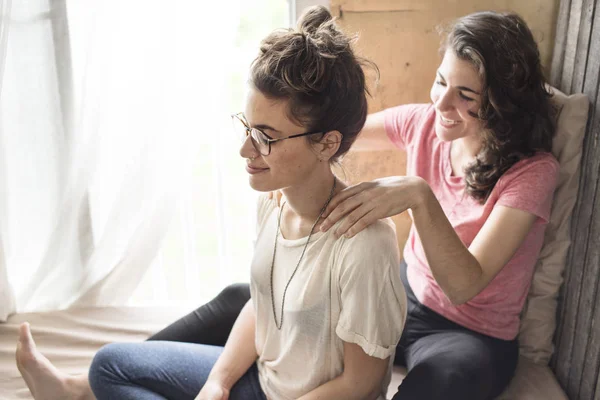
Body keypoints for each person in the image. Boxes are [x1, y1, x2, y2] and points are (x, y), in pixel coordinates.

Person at [16, 8, 558, 400]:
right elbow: (329, 129)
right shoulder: (425, 122)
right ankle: (81, 389)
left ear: (503, 102)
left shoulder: (532, 173)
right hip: (408, 294)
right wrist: (287, 136)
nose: (441, 103)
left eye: (464, 95)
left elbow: (465, 282)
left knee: (439, 381)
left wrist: (416, 195)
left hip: (467, 333)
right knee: (244, 296)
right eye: (441, 81)